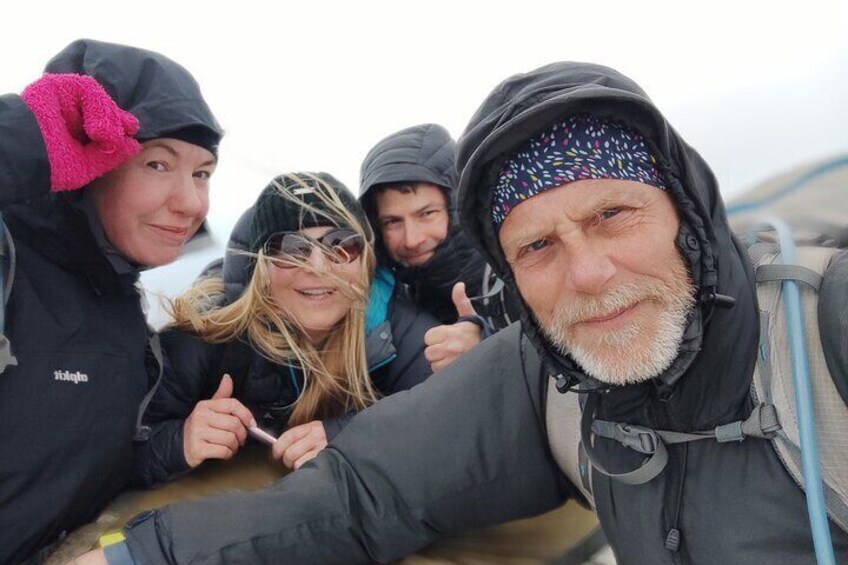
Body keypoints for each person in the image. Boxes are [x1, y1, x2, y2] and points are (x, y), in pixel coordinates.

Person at [84, 62, 848, 565]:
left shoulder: (824, 334)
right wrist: (137, 552)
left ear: (686, 208)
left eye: (614, 213)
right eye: (538, 244)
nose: (586, 271)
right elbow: (367, 492)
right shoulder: (544, 377)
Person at [0, 38, 222, 563]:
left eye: (203, 173)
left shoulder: (119, 300)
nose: (191, 203)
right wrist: (25, 140)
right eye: (157, 164)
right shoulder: (10, 262)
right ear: (84, 161)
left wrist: (177, 444)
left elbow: (75, 467)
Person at [133, 172, 438, 486]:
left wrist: (350, 436)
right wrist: (180, 441)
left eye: (342, 245)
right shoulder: (207, 335)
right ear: (261, 267)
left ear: (366, 261)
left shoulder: (402, 330)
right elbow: (114, 455)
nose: (319, 267)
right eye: (291, 248)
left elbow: (448, 431)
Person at [359, 123, 518, 371]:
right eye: (392, 222)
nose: (412, 239)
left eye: (426, 213)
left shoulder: (514, 272)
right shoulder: (388, 297)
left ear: (456, 206)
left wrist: (486, 348)